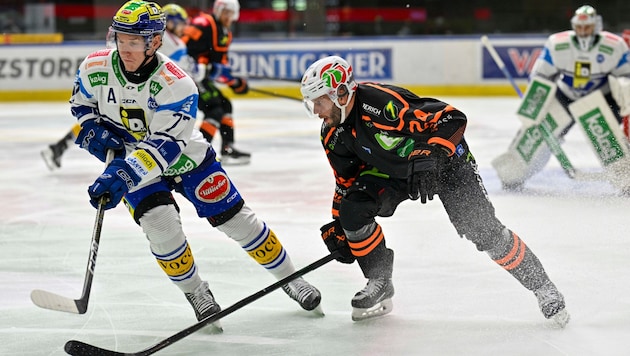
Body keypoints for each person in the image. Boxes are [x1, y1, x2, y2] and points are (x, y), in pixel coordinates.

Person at [70, 0, 321, 328]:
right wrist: (92, 130)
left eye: (134, 41)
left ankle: (292, 278)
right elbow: (81, 104)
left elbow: (166, 146)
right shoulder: (94, 67)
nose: (125, 48)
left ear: (154, 42)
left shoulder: (177, 83)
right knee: (162, 230)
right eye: (121, 39)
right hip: (133, 162)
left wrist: (123, 173)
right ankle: (196, 293)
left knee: (238, 222)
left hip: (185, 159)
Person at [300, 55, 570, 326]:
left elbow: (452, 118)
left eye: (319, 102)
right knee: (353, 210)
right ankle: (379, 280)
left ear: (342, 94)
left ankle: (543, 287)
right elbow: (345, 182)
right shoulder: (332, 135)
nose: (316, 111)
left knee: (483, 230)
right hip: (396, 173)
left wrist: (431, 153)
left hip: (448, 164)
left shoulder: (381, 104)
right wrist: (340, 225)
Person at [40, 3, 198, 171]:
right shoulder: (172, 43)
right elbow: (183, 71)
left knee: (105, 120)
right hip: (144, 87)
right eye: (180, 23)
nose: (182, 28)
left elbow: (113, 47)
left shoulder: (130, 35)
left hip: (131, 81)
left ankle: (60, 147)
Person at [492, 5, 630, 190]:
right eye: (579, 27)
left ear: (596, 25)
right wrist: (534, 104)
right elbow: (541, 75)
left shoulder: (614, 45)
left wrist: (624, 95)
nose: (583, 31)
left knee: (607, 138)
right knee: (537, 133)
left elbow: (626, 76)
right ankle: (513, 174)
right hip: (565, 94)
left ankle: (626, 180)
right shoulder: (557, 43)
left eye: (587, 27)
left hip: (601, 98)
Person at [181, 0, 251, 165]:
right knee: (214, 109)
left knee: (225, 105)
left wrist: (234, 82)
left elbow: (219, 68)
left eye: (231, 13)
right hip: (188, 76)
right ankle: (198, 153)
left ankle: (227, 148)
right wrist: (198, 66)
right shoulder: (202, 23)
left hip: (200, 78)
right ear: (218, 11)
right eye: (226, 12)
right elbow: (182, 48)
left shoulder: (225, 33)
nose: (229, 17)